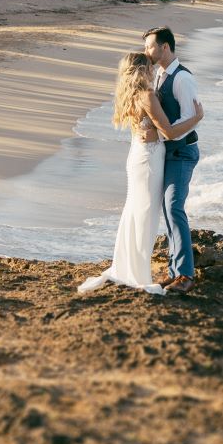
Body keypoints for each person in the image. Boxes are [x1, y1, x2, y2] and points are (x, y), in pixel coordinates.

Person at [78, 50, 204, 296]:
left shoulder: (130, 92)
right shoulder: (147, 95)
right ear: (141, 70)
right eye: (149, 66)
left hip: (139, 155)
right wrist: (197, 117)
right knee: (145, 216)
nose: (154, 69)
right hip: (149, 160)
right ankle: (137, 273)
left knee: (136, 211)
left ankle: (130, 266)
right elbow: (167, 131)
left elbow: (153, 129)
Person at [143, 25, 200, 294]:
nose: (147, 52)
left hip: (182, 152)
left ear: (165, 47)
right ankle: (174, 272)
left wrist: (159, 136)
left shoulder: (182, 78)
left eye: (150, 46)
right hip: (169, 152)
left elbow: (187, 121)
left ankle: (186, 275)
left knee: (174, 208)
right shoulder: (159, 76)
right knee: (168, 211)